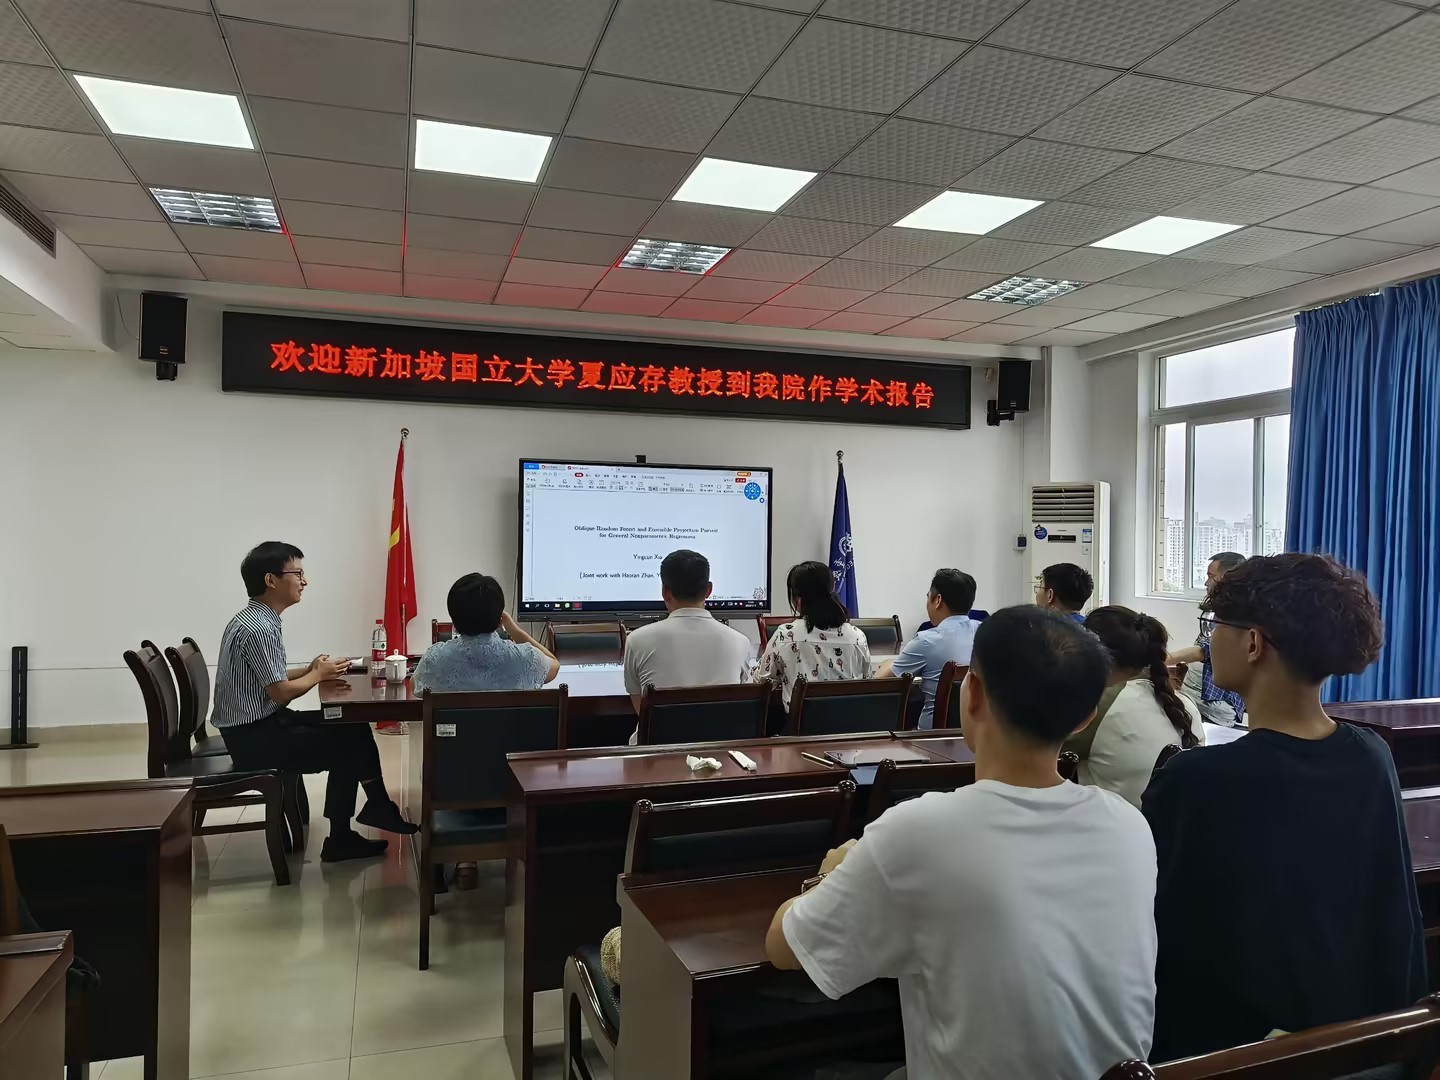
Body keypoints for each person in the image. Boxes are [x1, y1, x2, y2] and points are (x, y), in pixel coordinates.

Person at [765, 607, 1157, 1080]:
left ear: (970, 694)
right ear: (1085, 717)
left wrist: (831, 873)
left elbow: (784, 948)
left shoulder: (920, 831)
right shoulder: (1129, 825)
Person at [1144, 553, 1425, 1063]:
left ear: (1253, 643)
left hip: (1234, 1057)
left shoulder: (1197, 778)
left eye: (1215, 624)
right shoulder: (1371, 754)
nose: (1210, 638)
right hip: (1358, 1040)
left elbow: (1164, 934)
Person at [211, 542, 417, 863]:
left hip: (256, 727)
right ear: (271, 580)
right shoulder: (260, 628)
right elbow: (280, 692)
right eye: (297, 574)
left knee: (350, 726)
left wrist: (311, 669)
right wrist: (318, 675)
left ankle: (372, 811)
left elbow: (270, 676)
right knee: (347, 744)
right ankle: (348, 832)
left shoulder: (252, 619)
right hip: (254, 739)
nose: (304, 581)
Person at [1070, 606, 1203, 808]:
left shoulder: (1102, 703)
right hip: (1162, 825)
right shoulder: (1185, 704)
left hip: (1107, 823)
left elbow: (1037, 751)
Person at [622, 549, 752, 723]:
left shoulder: (636, 640)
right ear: (709, 590)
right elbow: (741, 703)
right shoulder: (741, 642)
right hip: (721, 740)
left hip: (661, 740)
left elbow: (643, 711)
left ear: (665, 592)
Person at [412, 573, 559, 694]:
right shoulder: (527, 659)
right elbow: (554, 665)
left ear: (453, 617)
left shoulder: (434, 660)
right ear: (499, 617)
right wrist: (514, 630)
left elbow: (414, 685)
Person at [752, 561, 871, 709]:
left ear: (797, 600)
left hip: (801, 723)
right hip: (851, 721)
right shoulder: (857, 636)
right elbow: (867, 681)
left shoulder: (786, 635)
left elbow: (762, 683)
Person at [876, 568, 977, 729]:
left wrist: (889, 663)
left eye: (928, 596)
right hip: (975, 736)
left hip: (931, 739)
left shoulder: (926, 640)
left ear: (938, 600)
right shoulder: (985, 632)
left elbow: (879, 684)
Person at [1169, 551, 1248, 726]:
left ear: (1227, 577)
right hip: (1201, 698)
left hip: (1214, 707)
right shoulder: (1218, 611)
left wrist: (1163, 658)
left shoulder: (1238, 617)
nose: (1206, 582)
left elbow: (1204, 651)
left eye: (1210, 576)